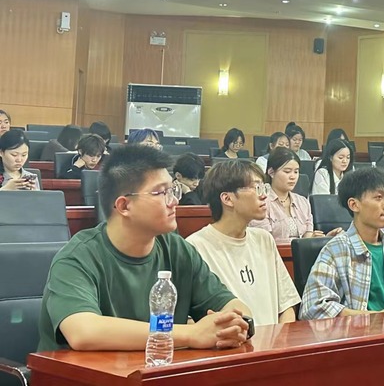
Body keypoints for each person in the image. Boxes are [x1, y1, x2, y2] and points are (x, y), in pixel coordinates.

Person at [38, 145, 252, 352]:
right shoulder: (77, 257)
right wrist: (190, 334)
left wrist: (238, 325)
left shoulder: (177, 249)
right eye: (161, 193)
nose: (174, 202)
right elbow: (83, 332)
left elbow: (232, 305)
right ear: (124, 206)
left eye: (173, 190)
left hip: (158, 369)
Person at [299, 167, 384, 319]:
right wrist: (375, 317)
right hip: (360, 331)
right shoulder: (336, 250)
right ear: (354, 205)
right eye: (378, 197)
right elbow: (313, 307)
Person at [187, 159, 300, 326]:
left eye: (264, 188)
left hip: (273, 340)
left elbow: (287, 305)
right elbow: (190, 320)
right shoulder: (194, 246)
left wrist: (279, 338)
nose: (264, 195)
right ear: (227, 198)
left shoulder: (264, 239)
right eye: (256, 188)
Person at [250, 147, 342, 242]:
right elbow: (264, 241)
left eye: (296, 172)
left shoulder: (303, 202)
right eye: (287, 171)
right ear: (271, 172)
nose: (293, 176)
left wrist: (324, 238)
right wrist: (300, 242)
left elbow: (307, 235)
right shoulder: (261, 202)